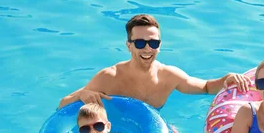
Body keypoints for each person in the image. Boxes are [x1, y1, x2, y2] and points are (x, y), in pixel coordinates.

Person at [57, 14, 251, 111]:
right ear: (129, 46)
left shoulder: (169, 75)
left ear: (159, 45)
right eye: (140, 43)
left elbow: (206, 87)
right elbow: (62, 105)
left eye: (153, 43)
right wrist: (83, 94)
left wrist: (226, 78)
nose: (147, 49)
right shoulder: (110, 77)